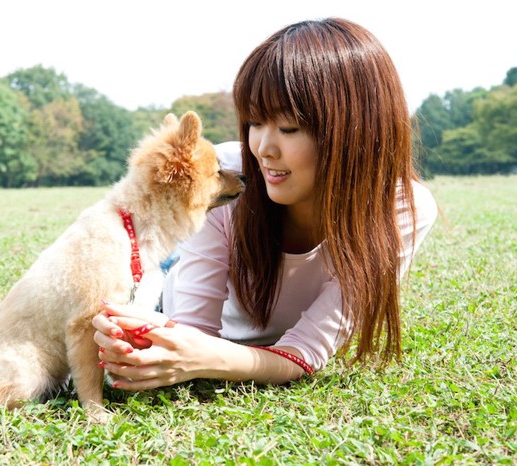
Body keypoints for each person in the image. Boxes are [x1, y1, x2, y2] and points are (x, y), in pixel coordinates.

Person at [92, 17, 437, 391]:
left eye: (289, 129)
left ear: (355, 133)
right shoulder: (226, 178)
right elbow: (191, 332)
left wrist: (204, 357)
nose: (264, 149)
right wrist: (158, 347)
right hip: (170, 292)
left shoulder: (402, 208)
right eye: (255, 122)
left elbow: (304, 351)